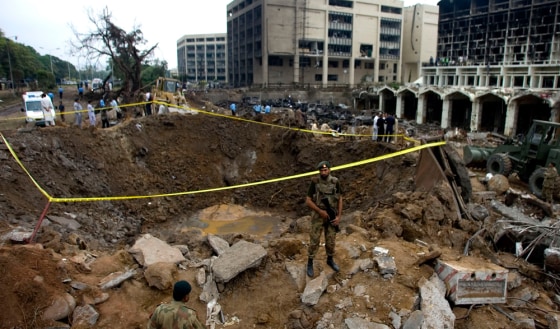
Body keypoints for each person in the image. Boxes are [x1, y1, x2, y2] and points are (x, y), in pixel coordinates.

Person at [305, 160, 342, 277]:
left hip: (331, 215)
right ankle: (310, 262)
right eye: (321, 170)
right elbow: (308, 200)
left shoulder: (335, 182)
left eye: (325, 170)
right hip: (318, 215)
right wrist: (320, 211)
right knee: (314, 240)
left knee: (331, 240)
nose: (323, 172)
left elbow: (340, 199)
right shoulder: (315, 182)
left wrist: (338, 216)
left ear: (329, 170)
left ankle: (330, 259)